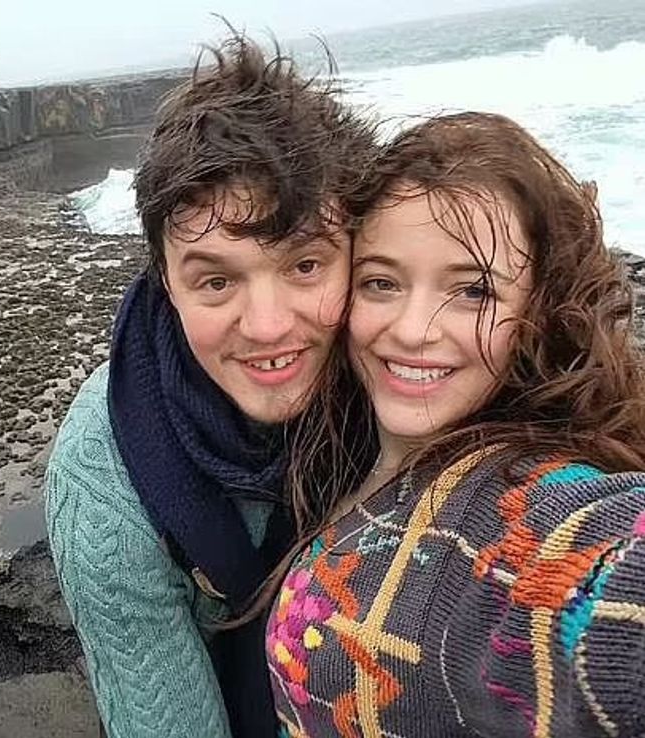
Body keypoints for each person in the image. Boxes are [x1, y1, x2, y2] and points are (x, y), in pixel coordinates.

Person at [266, 111, 645, 738]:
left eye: (472, 292)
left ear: (539, 310)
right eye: (382, 282)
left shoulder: (514, 511)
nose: (415, 329)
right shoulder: (336, 439)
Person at [44, 33, 377, 738]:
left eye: (305, 266)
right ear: (164, 281)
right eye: (216, 279)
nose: (265, 326)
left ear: (358, 251)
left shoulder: (406, 383)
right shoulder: (105, 473)